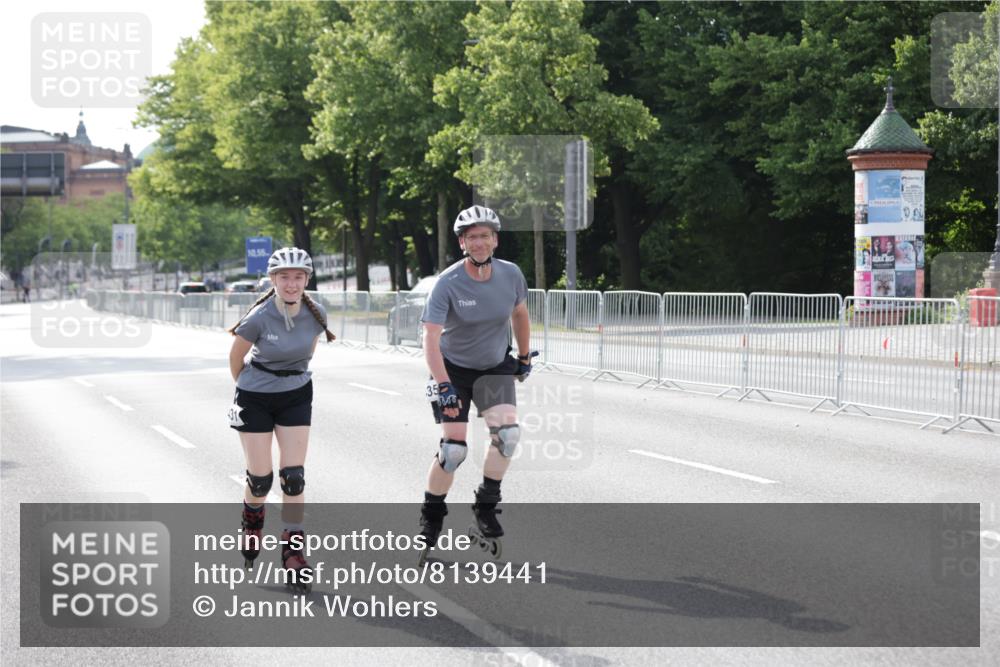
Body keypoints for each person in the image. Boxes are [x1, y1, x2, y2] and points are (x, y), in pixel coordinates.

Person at [417, 205, 535, 562]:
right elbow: (430, 337)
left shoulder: (511, 274)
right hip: (452, 368)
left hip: (494, 365)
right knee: (453, 450)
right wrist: (443, 385)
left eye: (485, 236)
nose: (480, 242)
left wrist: (525, 356)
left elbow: (519, 313)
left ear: (495, 240)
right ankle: (432, 515)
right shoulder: (448, 283)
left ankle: (485, 505)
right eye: (472, 237)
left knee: (508, 436)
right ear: (462, 242)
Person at [227, 247, 335, 592]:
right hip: (254, 396)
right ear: (273, 280)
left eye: (298, 277)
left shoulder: (317, 314)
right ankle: (252, 520)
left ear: (307, 279)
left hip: (296, 394)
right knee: (260, 480)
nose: (292, 283)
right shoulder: (258, 317)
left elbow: (305, 355)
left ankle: (293, 551)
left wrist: (287, 379)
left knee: (293, 477)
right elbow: (236, 359)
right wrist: (249, 388)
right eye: (284, 277)